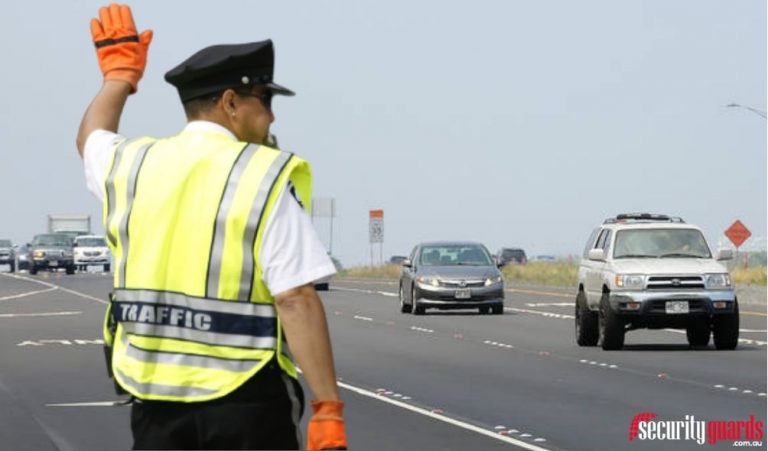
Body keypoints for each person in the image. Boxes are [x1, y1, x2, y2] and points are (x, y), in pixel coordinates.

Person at [76, 4, 348, 450]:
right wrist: (327, 408)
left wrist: (118, 79)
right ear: (230, 102)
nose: (272, 117)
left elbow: (90, 140)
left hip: (153, 402)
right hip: (245, 403)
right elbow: (295, 298)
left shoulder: (130, 165)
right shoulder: (260, 175)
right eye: (266, 100)